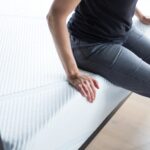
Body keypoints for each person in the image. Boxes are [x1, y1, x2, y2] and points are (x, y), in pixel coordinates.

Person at [46, 0, 150, 103]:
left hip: (124, 29)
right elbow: (55, 16)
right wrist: (73, 74)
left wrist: (140, 15)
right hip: (91, 43)